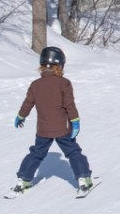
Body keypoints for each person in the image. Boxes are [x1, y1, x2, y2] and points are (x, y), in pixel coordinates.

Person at [12, 46, 93, 194]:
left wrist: (21, 116)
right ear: (60, 65)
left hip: (43, 130)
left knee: (36, 153)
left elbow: (28, 103)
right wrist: (75, 121)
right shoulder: (64, 83)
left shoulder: (35, 85)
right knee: (73, 152)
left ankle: (23, 180)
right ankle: (83, 178)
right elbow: (69, 104)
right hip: (62, 129)